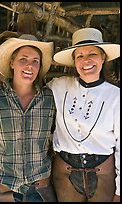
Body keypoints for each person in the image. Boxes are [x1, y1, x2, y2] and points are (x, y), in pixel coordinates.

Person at [47, 27, 120, 202]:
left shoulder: (116, 96)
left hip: (103, 172)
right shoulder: (57, 86)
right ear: (74, 61)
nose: (86, 60)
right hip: (65, 172)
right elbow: (29, 91)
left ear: (103, 57)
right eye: (80, 56)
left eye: (92, 54)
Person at [0, 34, 57, 202]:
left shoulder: (50, 98)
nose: (29, 66)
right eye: (23, 59)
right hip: (1, 187)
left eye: (35, 61)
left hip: (40, 189)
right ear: (12, 63)